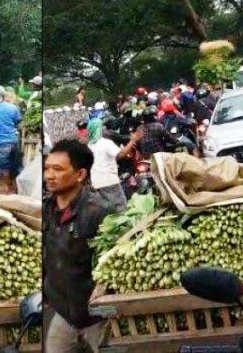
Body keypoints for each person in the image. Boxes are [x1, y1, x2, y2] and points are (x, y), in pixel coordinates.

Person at [43, 139, 112, 352]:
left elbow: (110, 267)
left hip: (97, 317)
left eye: (58, 169)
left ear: (80, 174)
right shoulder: (46, 209)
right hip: (64, 312)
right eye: (47, 168)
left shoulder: (99, 212)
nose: (49, 175)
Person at [87, 118, 142, 212]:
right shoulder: (105, 143)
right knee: (121, 207)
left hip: (96, 183)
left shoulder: (89, 146)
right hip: (109, 181)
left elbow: (113, 156)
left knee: (107, 210)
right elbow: (120, 155)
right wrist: (132, 141)